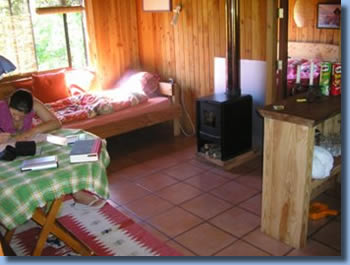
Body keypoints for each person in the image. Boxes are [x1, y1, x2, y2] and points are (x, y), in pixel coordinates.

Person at [0, 89, 105, 208]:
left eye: (22, 116)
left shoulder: (33, 103)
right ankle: (30, 201)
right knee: (18, 172)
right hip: (4, 149)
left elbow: (56, 123)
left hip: (27, 143)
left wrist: (32, 131)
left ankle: (76, 192)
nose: (18, 119)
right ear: (9, 103)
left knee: (56, 158)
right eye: (14, 114)